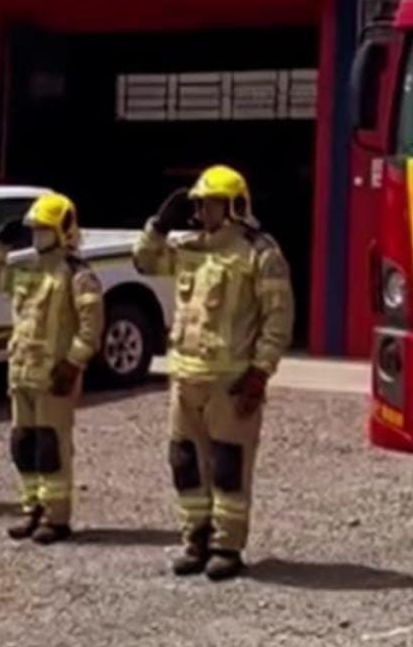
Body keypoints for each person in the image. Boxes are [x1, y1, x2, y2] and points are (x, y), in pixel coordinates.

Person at [134, 166, 294, 581]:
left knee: (228, 466)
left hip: (231, 382)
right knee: (184, 462)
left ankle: (227, 546)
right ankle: (195, 539)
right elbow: (145, 261)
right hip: (185, 379)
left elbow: (278, 320)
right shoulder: (191, 248)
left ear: (235, 206)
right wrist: (157, 226)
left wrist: (260, 373)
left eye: (210, 203)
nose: (202, 211)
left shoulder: (259, 254)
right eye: (199, 204)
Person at [0, 192, 104, 545]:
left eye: (43, 229)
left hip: (54, 377)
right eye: (33, 230)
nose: (37, 236)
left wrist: (73, 364)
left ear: (62, 230)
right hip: (22, 374)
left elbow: (91, 327)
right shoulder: (27, 271)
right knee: (24, 445)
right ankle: (31, 507)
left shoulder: (77, 275)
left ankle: (56, 515)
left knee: (52, 447)